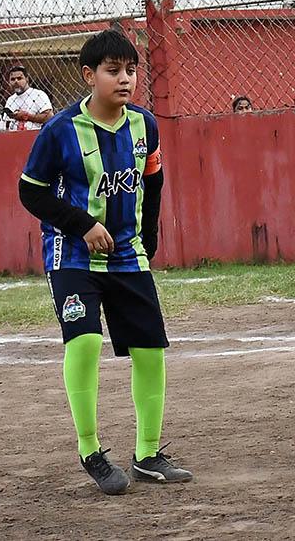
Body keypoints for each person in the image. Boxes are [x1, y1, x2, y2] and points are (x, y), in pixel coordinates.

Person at [17, 29, 193, 495]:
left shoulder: (145, 125)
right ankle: (90, 450)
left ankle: (148, 455)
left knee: (151, 348)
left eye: (132, 71)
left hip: (127, 256)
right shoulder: (59, 132)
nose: (125, 79)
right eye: (113, 71)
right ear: (88, 75)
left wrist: (147, 240)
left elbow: (152, 180)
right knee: (86, 342)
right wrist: (81, 224)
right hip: (71, 253)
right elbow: (30, 192)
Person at [0, 65, 54, 131]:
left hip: (36, 135)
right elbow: (6, 122)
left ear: (27, 79)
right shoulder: (11, 100)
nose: (16, 81)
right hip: (15, 137)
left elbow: (49, 117)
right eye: (13, 79)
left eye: (19, 78)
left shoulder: (38, 94)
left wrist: (27, 116)